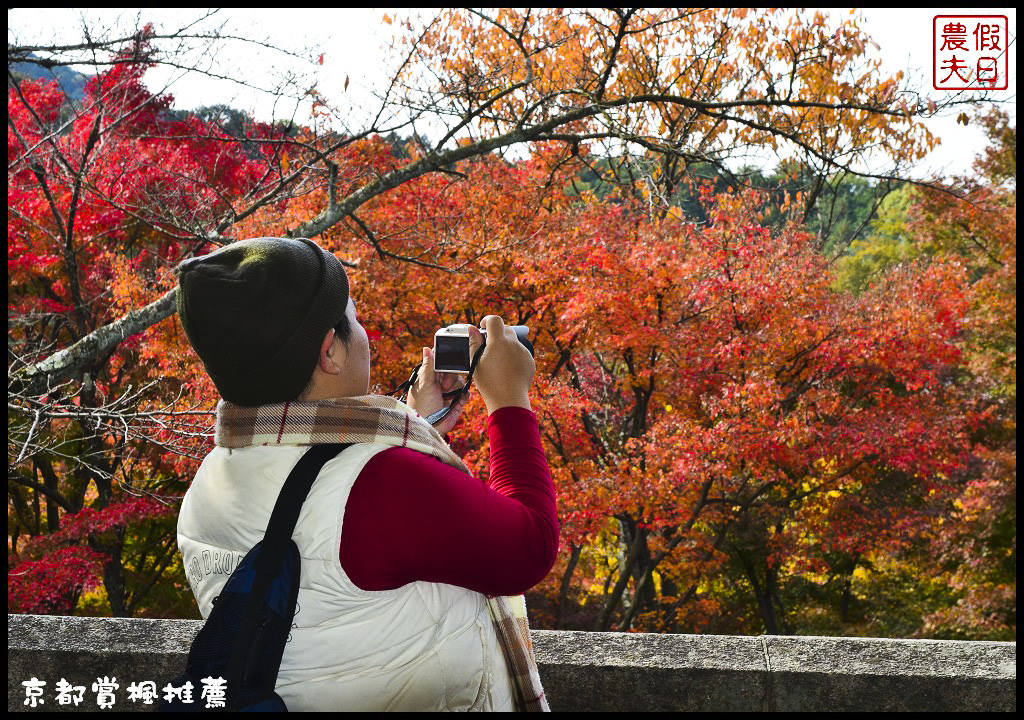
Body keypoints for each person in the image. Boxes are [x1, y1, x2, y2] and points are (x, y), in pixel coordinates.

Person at [174, 237, 558, 711]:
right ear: (329, 352)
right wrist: (509, 400)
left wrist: (419, 422)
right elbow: (529, 548)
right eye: (353, 320)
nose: (365, 334)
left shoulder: (208, 481)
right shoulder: (382, 480)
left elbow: (353, 574)